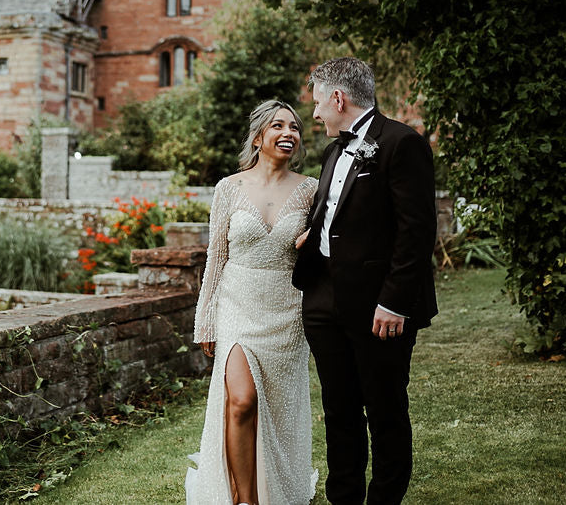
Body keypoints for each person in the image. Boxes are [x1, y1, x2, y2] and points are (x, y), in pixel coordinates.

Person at [292, 57, 437, 505]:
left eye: (318, 103)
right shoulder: (333, 150)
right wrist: (310, 235)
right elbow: (337, 213)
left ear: (339, 98)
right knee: (339, 411)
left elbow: (416, 233)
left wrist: (394, 302)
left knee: (385, 409)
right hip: (324, 299)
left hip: (380, 305)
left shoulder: (402, 143)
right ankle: (345, 498)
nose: (315, 114)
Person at [187, 100, 318, 505]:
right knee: (241, 402)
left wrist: (313, 242)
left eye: (295, 127)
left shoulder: (311, 189)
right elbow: (216, 259)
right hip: (236, 305)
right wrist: (205, 320)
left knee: (276, 409)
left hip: (287, 310)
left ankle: (279, 486)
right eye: (278, 125)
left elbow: (328, 247)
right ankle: (245, 500)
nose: (289, 133)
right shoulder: (229, 188)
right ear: (258, 136)